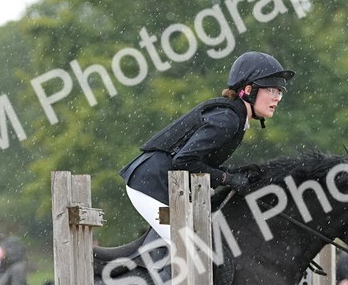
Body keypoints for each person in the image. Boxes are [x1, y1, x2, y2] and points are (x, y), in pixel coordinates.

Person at [119, 50, 294, 240]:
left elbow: (198, 163)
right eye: (271, 90)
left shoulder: (235, 117)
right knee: (192, 247)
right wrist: (227, 178)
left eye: (279, 92)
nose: (276, 97)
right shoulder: (228, 119)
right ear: (249, 90)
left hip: (162, 184)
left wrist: (233, 174)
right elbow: (184, 161)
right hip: (149, 184)